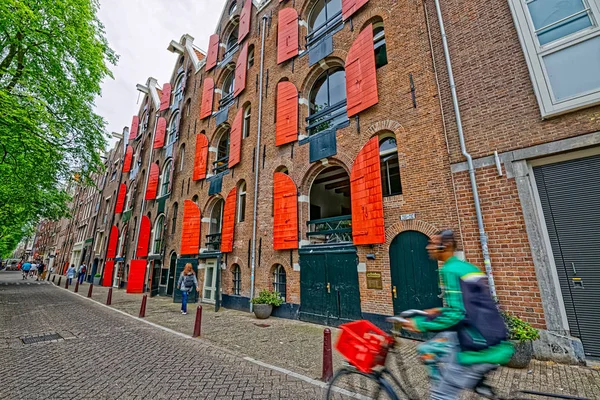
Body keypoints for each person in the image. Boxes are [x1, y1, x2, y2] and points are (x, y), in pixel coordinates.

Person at [402, 230, 514, 400]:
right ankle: (467, 382)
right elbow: (472, 306)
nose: (428, 247)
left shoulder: (450, 270)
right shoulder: (464, 267)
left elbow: (458, 315)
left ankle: (448, 385)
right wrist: (440, 311)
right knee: (428, 348)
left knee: (441, 395)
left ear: (445, 246)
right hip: (491, 335)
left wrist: (421, 324)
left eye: (432, 243)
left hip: (478, 344)